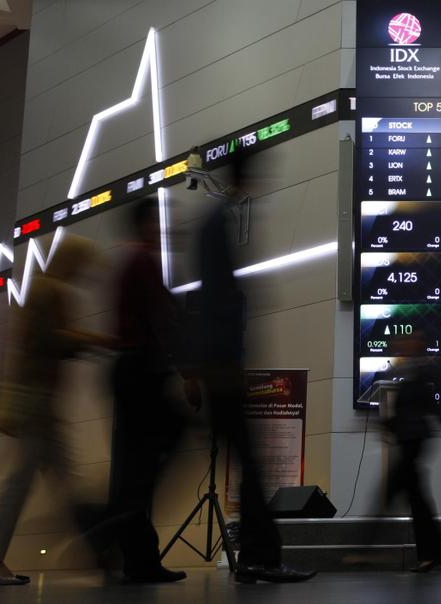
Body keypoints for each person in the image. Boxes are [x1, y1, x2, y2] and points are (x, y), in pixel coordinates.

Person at [195, 162, 315, 584]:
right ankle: (262, 557)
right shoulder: (216, 224)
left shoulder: (214, 223)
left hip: (221, 364)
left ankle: (256, 557)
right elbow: (218, 299)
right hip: (223, 366)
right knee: (250, 462)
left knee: (249, 463)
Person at [0, 235, 109, 586]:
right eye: (82, 264)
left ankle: (99, 553)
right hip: (37, 401)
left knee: (54, 480)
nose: (84, 273)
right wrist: (95, 341)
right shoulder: (51, 290)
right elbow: (53, 339)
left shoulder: (41, 288)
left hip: (36, 401)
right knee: (23, 479)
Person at [108, 197, 187, 583]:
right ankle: (126, 526)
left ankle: (137, 558)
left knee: (132, 463)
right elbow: (163, 319)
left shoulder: (131, 263)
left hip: (128, 370)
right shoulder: (143, 262)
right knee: (166, 440)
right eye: (157, 223)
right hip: (142, 371)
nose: (163, 230)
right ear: (144, 225)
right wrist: (186, 370)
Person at [380, 334, 441, 572]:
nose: (398, 353)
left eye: (402, 349)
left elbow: (437, 408)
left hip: (414, 443)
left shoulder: (420, 375)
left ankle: (365, 547)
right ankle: (433, 555)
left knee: (395, 497)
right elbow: (404, 413)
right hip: (409, 442)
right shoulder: (409, 376)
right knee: (418, 502)